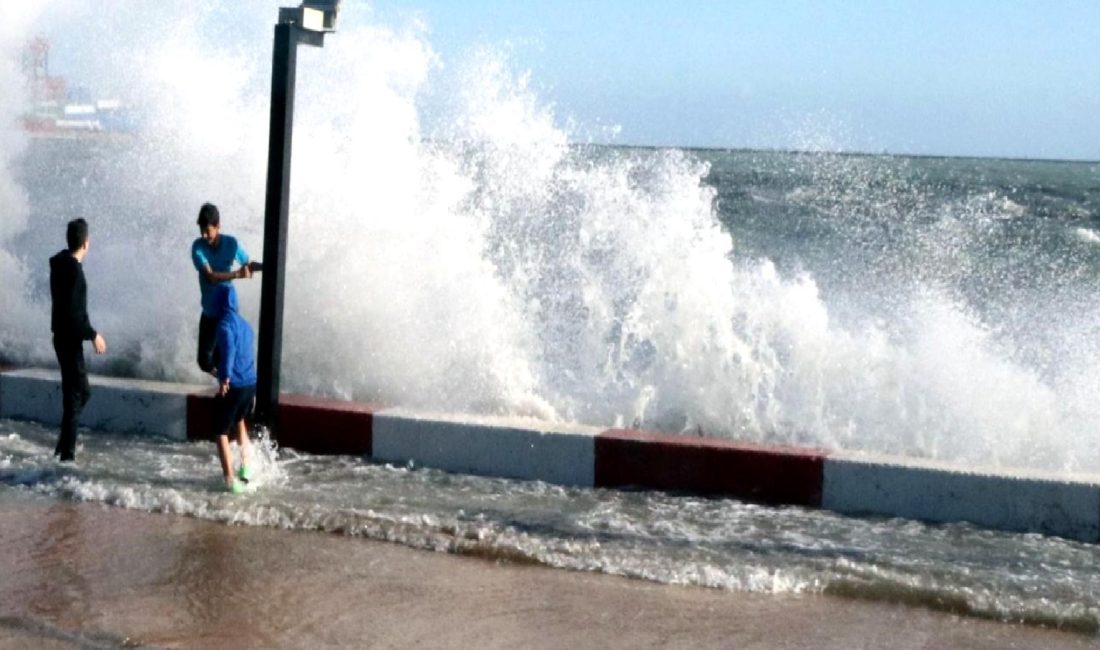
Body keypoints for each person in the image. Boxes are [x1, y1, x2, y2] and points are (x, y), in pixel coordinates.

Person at [49, 218, 107, 462]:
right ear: (86, 243)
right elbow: (74, 314)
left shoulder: (60, 263)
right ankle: (67, 457)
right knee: (79, 395)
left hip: (61, 338)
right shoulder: (74, 272)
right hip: (70, 340)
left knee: (74, 395)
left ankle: (62, 447)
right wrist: (93, 334)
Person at [191, 203, 260, 376]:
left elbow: (248, 264)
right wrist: (237, 274)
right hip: (209, 311)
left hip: (227, 309)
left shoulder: (231, 244)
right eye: (202, 231)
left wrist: (266, 266)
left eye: (208, 230)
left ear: (218, 226)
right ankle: (227, 381)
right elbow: (211, 277)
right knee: (205, 362)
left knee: (226, 356)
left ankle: (234, 385)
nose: (205, 235)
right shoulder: (198, 247)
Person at [209, 283, 256, 494]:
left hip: (234, 384)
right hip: (250, 383)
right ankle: (246, 467)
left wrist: (225, 377)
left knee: (220, 430)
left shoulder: (224, 325)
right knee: (239, 421)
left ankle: (230, 480)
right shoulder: (246, 325)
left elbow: (228, 350)